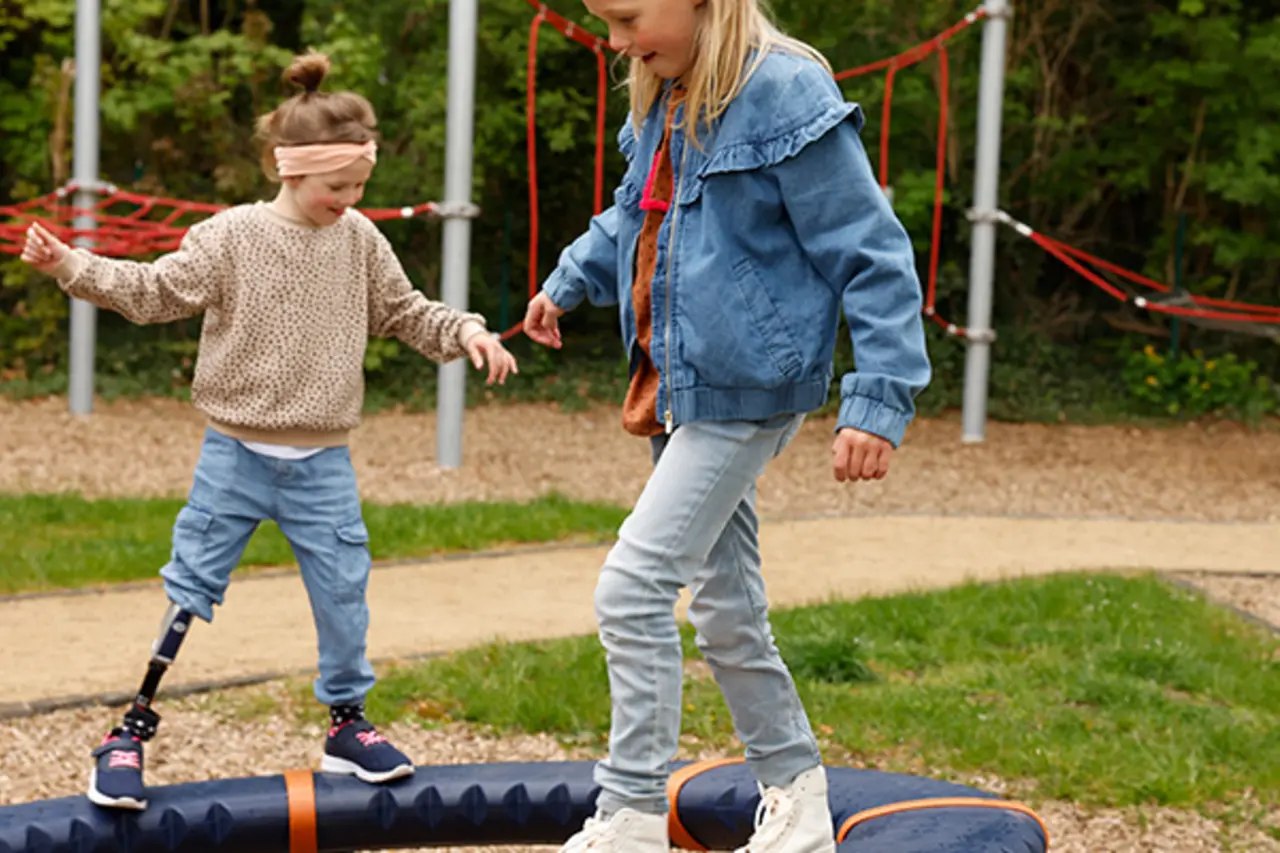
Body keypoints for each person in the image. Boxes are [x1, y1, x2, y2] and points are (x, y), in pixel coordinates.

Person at [20, 51, 518, 811]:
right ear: (291, 170)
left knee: (345, 593)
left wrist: (468, 333)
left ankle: (347, 724)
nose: (350, 200)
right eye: (337, 187)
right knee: (191, 585)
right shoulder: (231, 238)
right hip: (236, 453)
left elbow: (407, 311)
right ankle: (129, 730)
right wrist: (71, 266)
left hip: (323, 462)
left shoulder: (358, 242)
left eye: (359, 186)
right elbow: (152, 291)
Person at [521, 0, 932, 850]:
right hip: (682, 388)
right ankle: (797, 797)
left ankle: (629, 813)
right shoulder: (666, 97)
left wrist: (878, 397)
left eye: (629, 17)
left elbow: (871, 250)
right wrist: (568, 279)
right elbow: (634, 217)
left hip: (750, 386)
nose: (617, 41)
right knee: (727, 608)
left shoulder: (783, 90)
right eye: (605, 21)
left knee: (631, 589)